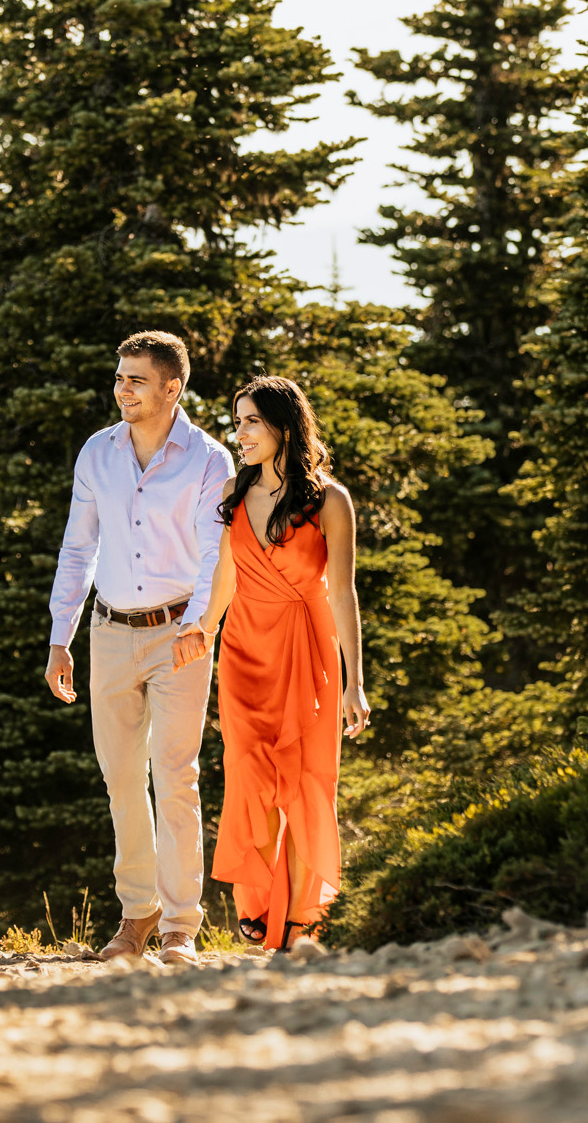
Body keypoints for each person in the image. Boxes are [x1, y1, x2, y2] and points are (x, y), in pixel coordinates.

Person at [45, 330, 234, 967]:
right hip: (108, 631)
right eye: (120, 378)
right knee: (122, 778)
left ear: (171, 388)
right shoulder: (97, 454)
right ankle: (138, 913)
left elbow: (216, 555)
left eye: (136, 380)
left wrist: (202, 625)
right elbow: (78, 548)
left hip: (181, 632)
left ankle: (182, 922)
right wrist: (59, 637)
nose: (122, 390)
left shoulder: (210, 460)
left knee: (175, 776)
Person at [194, 375, 369, 952]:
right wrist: (203, 628)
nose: (238, 432)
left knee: (306, 780)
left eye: (250, 421)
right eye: (237, 419)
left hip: (308, 646)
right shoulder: (234, 492)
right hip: (244, 649)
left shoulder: (329, 499)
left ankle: (299, 916)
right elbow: (225, 576)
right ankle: (259, 903)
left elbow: (342, 593)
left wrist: (354, 683)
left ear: (283, 427)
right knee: (248, 774)